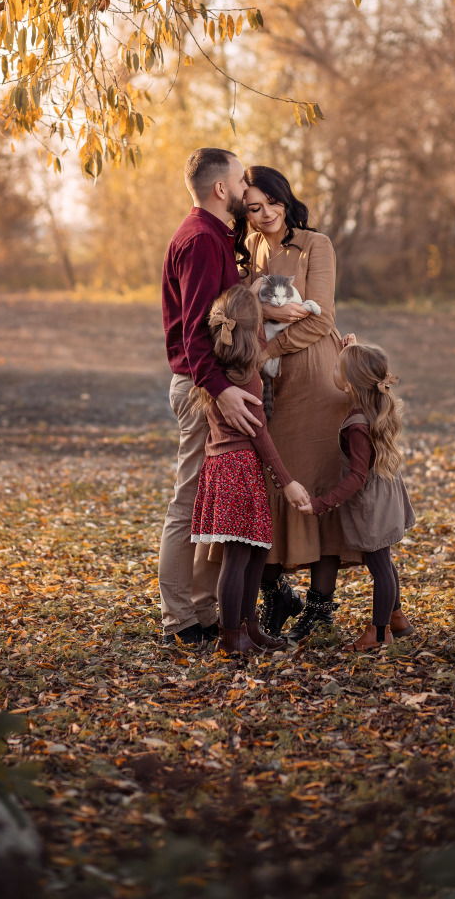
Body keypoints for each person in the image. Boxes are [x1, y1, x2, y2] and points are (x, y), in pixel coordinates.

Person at [234, 165, 359, 644]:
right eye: (253, 208)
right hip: (269, 384)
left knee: (319, 479)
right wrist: (261, 315)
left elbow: (321, 317)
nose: (264, 214)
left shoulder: (315, 244)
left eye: (271, 203)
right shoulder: (251, 249)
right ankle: (278, 593)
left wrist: (265, 350)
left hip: (312, 376)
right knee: (272, 481)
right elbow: (243, 306)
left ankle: (321, 605)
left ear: (285, 201)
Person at [160, 148, 264, 645]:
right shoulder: (201, 240)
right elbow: (194, 333)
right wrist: (220, 391)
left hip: (212, 387)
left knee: (208, 504)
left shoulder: (216, 236)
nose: (248, 189)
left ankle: (203, 613)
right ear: (221, 189)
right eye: (242, 181)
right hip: (203, 388)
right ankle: (178, 620)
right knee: (187, 504)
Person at [190, 285, 309, 655]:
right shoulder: (246, 375)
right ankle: (230, 636)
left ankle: (249, 628)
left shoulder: (220, 369)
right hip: (238, 468)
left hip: (227, 467)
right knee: (239, 556)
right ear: (254, 328)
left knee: (256, 551)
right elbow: (258, 433)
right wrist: (286, 481)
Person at [300, 342, 416, 651]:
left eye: (337, 368)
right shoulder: (374, 407)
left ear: (350, 383)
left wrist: (321, 503)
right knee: (384, 560)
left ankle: (378, 634)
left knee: (379, 565)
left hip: (371, 503)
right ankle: (397, 618)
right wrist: (350, 353)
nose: (333, 371)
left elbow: (356, 476)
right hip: (386, 492)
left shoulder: (357, 424)